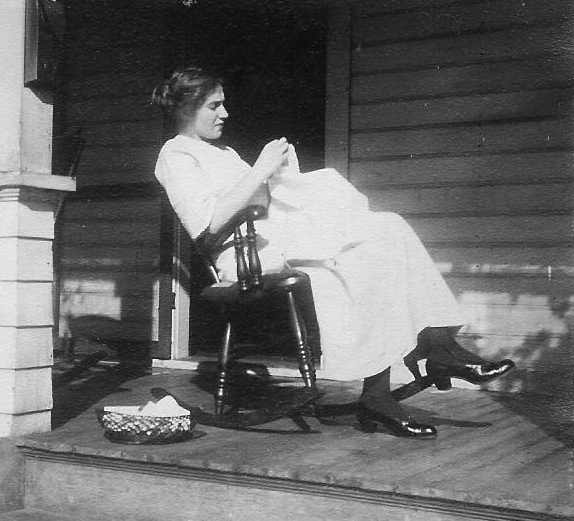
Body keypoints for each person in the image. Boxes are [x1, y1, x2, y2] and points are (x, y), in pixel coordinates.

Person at [152, 68, 515, 438]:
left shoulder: (223, 151)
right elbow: (208, 225)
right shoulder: (176, 155)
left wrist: (277, 173)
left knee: (384, 234)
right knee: (371, 241)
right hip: (243, 257)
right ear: (187, 108)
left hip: (275, 240)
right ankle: (423, 363)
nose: (225, 113)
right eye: (215, 105)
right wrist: (260, 168)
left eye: (223, 103)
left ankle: (425, 356)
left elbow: (257, 198)